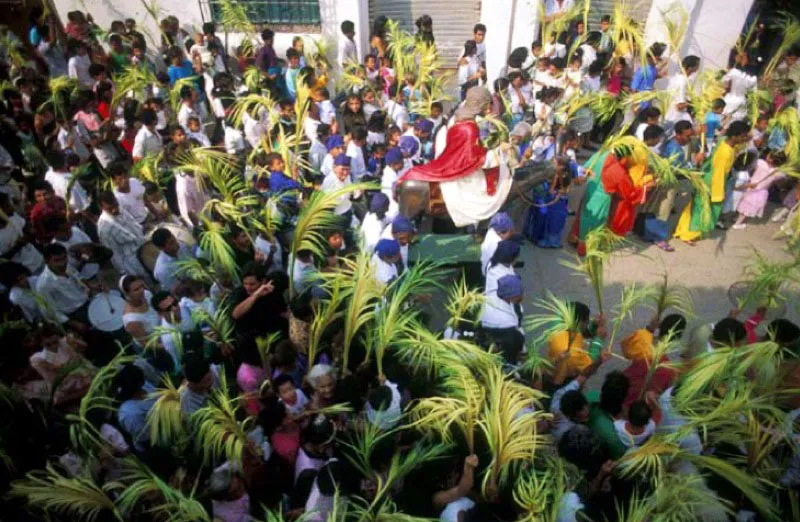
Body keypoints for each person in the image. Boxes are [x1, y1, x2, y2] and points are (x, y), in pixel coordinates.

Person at [674, 121, 750, 245]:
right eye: (742, 136)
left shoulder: (725, 142)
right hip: (712, 184)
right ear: (735, 136)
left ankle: (683, 230)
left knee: (696, 207)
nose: (744, 139)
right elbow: (718, 174)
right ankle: (688, 235)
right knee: (703, 210)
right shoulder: (726, 152)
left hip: (709, 179)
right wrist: (718, 194)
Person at [97, 191, 147, 277]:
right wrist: (125, 273)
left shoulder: (121, 209)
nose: (114, 210)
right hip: (133, 261)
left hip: (144, 248)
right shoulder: (104, 229)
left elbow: (134, 224)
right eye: (110, 208)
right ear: (101, 207)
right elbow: (114, 255)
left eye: (115, 205)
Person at [732, 150, 787, 229]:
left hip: (750, 186)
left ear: (770, 158)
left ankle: (736, 220)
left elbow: (751, 167)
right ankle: (737, 223)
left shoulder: (760, 162)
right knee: (748, 207)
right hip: (761, 192)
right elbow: (782, 178)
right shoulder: (778, 173)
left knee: (743, 204)